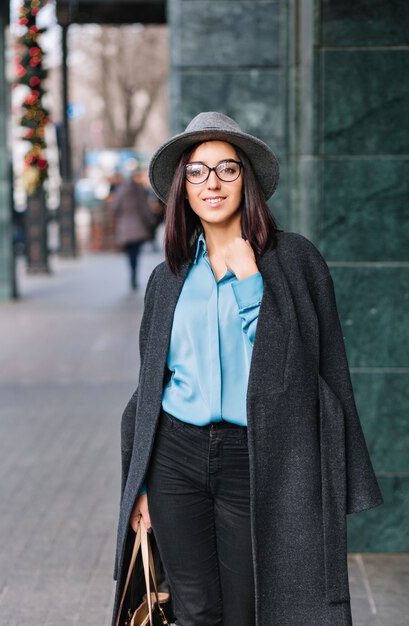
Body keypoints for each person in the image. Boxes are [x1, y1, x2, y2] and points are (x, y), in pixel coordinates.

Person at [112, 112, 383, 626]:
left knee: (249, 611)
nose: (211, 184)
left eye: (226, 169)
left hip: (257, 455)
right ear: (182, 188)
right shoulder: (167, 276)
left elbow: (299, 374)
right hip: (174, 455)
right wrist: (140, 482)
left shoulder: (295, 260)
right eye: (197, 172)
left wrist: (249, 283)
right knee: (193, 610)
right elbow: (151, 387)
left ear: (247, 180)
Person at [110, 168, 156, 290]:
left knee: (130, 253)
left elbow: (114, 208)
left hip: (125, 227)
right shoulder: (140, 191)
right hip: (138, 226)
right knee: (136, 252)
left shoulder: (120, 191)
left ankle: (132, 273)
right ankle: (134, 274)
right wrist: (151, 220)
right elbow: (145, 208)